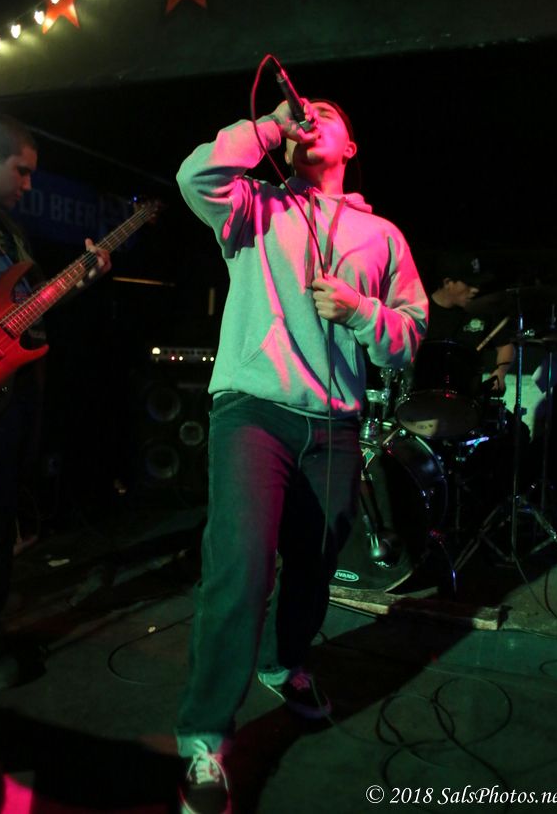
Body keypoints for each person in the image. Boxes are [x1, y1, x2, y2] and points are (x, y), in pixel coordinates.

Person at [173, 96, 428, 814]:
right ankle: (203, 739)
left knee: (316, 560)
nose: (310, 116)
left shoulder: (382, 235)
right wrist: (268, 126)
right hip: (253, 408)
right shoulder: (253, 205)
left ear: (351, 146)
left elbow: (408, 334)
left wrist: (360, 311)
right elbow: (195, 176)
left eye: (326, 113)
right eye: (302, 112)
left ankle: (283, 662)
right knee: (242, 564)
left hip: (334, 424)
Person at [0, 112, 110, 690]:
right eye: (22, 171)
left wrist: (74, 285)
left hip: (6, 400)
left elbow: (25, 316)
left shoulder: (12, 232)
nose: (29, 184)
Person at [427, 250, 515, 394]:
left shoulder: (482, 310)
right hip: (424, 394)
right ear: (448, 283)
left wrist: (501, 371)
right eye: (469, 283)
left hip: (467, 396)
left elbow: (505, 345)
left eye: (477, 283)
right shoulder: (419, 312)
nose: (475, 289)